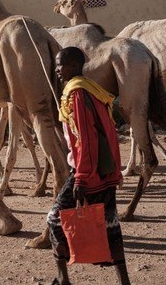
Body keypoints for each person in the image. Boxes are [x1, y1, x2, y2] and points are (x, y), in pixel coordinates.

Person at [47, 47, 130, 285]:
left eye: (61, 65)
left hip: (88, 171)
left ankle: (63, 279)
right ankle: (124, 281)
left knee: (54, 218)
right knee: (110, 224)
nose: (57, 70)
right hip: (104, 171)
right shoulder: (91, 90)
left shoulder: (77, 95)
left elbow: (87, 138)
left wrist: (82, 177)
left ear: (74, 65)